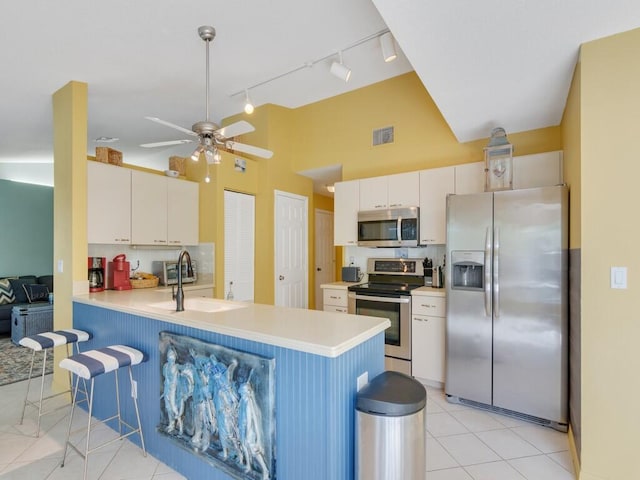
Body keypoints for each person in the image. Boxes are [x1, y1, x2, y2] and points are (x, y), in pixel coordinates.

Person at [238, 374, 270, 479]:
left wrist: (256, 436)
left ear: (247, 392)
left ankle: (265, 470)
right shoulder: (242, 401)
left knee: (254, 450)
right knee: (243, 446)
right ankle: (248, 465)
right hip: (243, 428)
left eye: (243, 391)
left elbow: (254, 421)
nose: (242, 393)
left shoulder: (249, 404)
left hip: (249, 431)